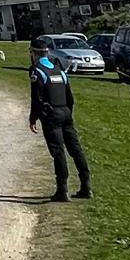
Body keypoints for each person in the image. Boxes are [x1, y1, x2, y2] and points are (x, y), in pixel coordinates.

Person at [29, 39, 92, 202]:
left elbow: (36, 98)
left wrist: (33, 118)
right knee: (75, 149)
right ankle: (86, 186)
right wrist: (68, 113)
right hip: (65, 112)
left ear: (34, 53)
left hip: (51, 115)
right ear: (47, 53)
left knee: (58, 152)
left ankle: (62, 189)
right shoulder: (59, 70)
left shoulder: (37, 70)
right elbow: (70, 97)